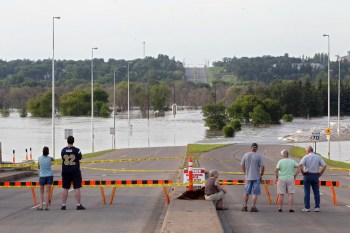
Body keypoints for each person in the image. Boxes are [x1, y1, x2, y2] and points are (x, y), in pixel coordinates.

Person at [296, 145, 327, 212]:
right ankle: (317, 207)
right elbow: (324, 165)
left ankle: (307, 207)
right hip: (315, 175)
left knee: (307, 192)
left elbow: (300, 165)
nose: (305, 152)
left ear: (308, 150)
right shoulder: (318, 157)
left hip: (307, 175)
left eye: (305, 151)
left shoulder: (306, 157)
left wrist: (303, 172)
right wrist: (320, 173)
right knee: (316, 192)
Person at [61, 136, 86, 210]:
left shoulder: (63, 150)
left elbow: (62, 157)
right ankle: (78, 204)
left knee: (65, 188)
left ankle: (63, 205)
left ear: (67, 141)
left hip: (65, 171)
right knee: (77, 187)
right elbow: (80, 157)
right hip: (75, 171)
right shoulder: (77, 150)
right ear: (73, 141)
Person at [240, 143, 265, 212]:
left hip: (248, 176)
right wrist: (261, 174)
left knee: (246, 192)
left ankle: (245, 206)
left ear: (251, 148)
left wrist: (245, 172)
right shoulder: (259, 156)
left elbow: (242, 164)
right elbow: (262, 166)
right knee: (255, 193)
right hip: (256, 177)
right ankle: (253, 207)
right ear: (256, 148)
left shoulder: (246, 155)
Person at [38, 146, 54, 210]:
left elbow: (38, 167)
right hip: (49, 176)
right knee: (48, 191)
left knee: (41, 192)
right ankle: (46, 206)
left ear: (42, 152)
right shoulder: (50, 158)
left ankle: (41, 206)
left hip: (42, 176)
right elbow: (53, 159)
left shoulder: (39, 158)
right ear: (48, 152)